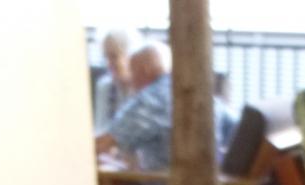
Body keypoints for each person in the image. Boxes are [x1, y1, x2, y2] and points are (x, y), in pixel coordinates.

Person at [96, 43, 238, 175]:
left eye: (132, 71)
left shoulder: (149, 100)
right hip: (208, 183)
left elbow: (104, 143)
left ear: (144, 70)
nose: (130, 80)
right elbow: (235, 130)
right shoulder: (199, 92)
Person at [92, 29, 136, 138]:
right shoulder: (105, 86)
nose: (108, 63)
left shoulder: (145, 90)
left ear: (131, 56)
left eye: (114, 56)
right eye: (106, 57)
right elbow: (100, 127)